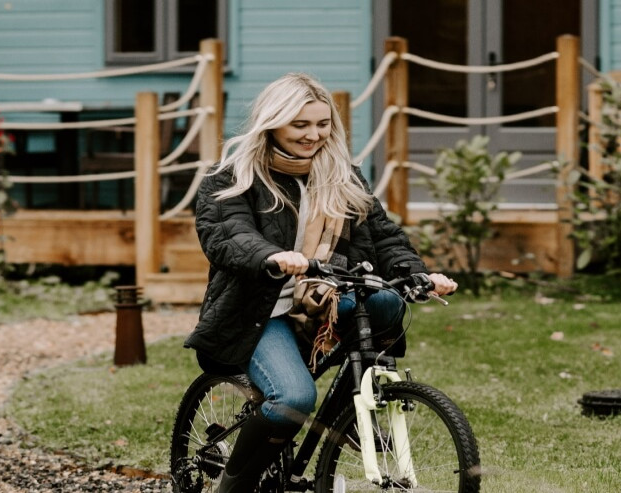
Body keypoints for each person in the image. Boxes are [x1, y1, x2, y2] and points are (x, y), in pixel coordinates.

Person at [186, 73, 457, 491]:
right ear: (272, 122)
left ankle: (351, 411)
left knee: (387, 302)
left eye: (323, 123)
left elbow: (383, 237)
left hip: (321, 303)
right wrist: (271, 256)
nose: (314, 135)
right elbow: (229, 235)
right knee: (293, 400)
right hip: (260, 314)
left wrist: (419, 276)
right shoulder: (232, 178)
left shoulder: (342, 176)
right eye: (300, 125)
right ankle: (233, 485)